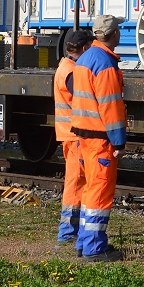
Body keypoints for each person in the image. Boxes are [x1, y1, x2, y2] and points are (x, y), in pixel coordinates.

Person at [70, 14, 127, 261]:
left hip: (84, 136)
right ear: (114, 34)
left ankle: (85, 242)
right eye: (119, 31)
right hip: (100, 139)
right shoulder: (105, 64)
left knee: (91, 189)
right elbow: (111, 107)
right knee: (100, 191)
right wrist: (119, 141)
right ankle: (94, 248)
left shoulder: (85, 59)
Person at [54, 28, 94, 252]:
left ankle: (69, 229)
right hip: (76, 135)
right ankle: (68, 231)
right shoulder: (72, 72)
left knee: (74, 180)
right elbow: (81, 101)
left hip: (69, 134)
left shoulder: (64, 67)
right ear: (85, 48)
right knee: (76, 182)